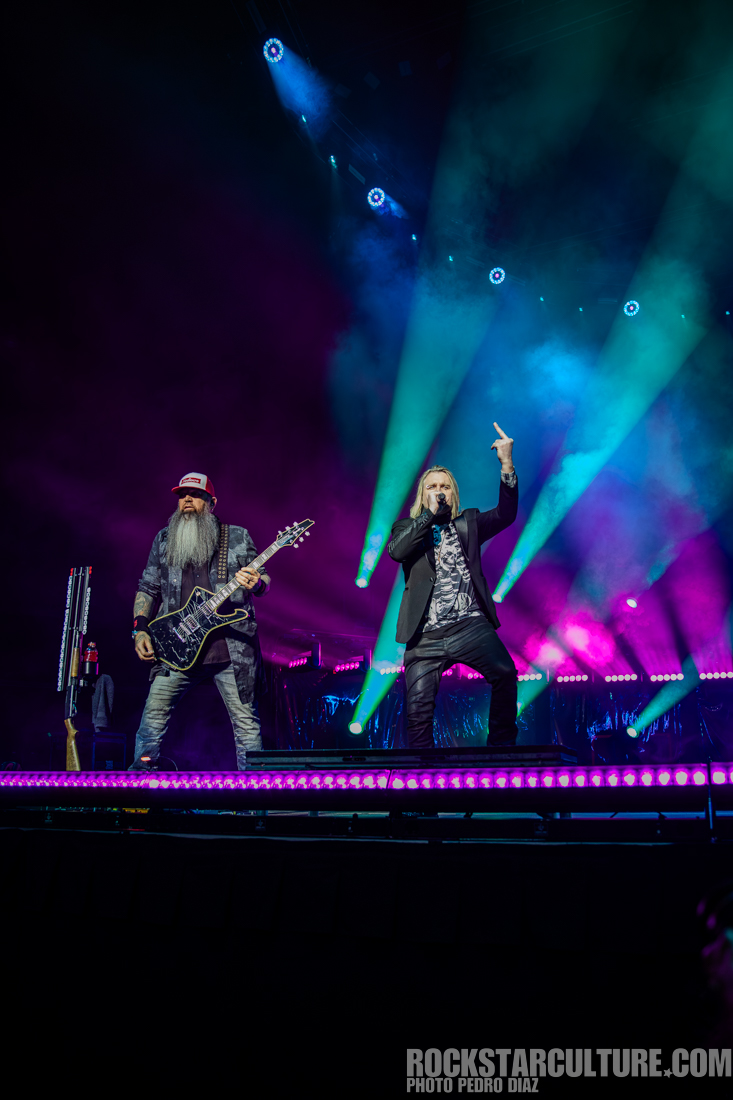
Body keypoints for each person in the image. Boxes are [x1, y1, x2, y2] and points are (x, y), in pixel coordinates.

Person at [388, 424, 518, 749]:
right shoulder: (407, 527)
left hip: (469, 625)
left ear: (453, 493)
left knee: (504, 672)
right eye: (432, 487)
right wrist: (427, 516)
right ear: (424, 494)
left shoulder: (468, 523)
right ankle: (422, 786)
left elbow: (507, 514)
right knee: (417, 716)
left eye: (444, 486)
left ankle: (500, 755)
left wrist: (506, 464)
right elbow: (397, 551)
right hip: (424, 637)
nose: (439, 491)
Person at [129, 472, 270, 770]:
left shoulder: (236, 536)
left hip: (229, 650)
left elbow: (263, 580)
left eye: (196, 495)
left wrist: (256, 583)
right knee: (151, 721)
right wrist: (140, 629)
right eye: (182, 495)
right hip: (176, 646)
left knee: (247, 727)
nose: (187, 500)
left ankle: (254, 799)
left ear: (212, 502)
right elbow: (148, 586)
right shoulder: (165, 539)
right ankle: (139, 791)